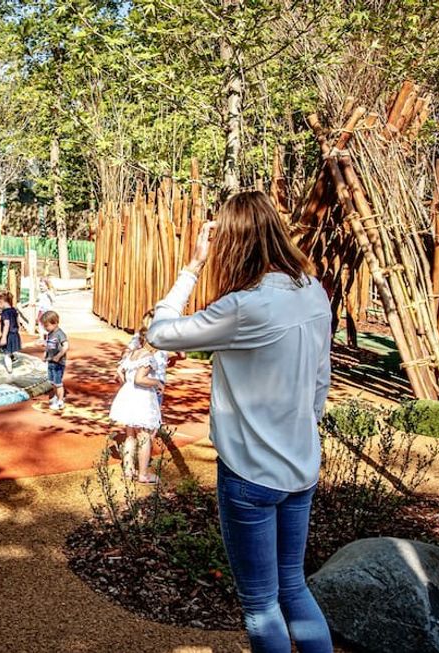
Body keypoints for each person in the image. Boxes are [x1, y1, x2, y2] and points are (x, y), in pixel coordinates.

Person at [147, 191, 333, 653]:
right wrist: (305, 430)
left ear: (230, 243)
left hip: (250, 473)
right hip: (301, 465)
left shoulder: (244, 307)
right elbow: (320, 378)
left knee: (261, 604)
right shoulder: (312, 289)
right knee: (294, 587)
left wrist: (192, 267)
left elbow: (160, 332)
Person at [109, 331, 167, 483]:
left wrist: (127, 387)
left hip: (129, 396)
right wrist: (157, 383)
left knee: (129, 435)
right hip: (142, 398)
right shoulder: (148, 357)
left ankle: (128, 470)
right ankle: (143, 474)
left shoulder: (132, 354)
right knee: (144, 437)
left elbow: (120, 373)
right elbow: (139, 379)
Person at [40, 310, 68, 409]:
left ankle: (60, 401)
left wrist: (59, 356)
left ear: (55, 323)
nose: (46, 328)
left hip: (58, 362)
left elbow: (65, 346)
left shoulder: (60, 334)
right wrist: (45, 354)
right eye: (44, 326)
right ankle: (56, 396)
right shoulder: (50, 334)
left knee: (58, 383)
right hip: (50, 361)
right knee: (52, 382)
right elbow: (48, 346)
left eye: (47, 326)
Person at [0, 290, 22, 374]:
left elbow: (7, 325)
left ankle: (9, 370)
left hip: (8, 334)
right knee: (6, 347)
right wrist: (17, 329)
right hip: (15, 334)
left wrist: (4, 337)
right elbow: (18, 321)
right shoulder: (13, 310)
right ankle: (12, 357)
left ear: (1, 301)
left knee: (6, 353)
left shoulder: (5, 312)